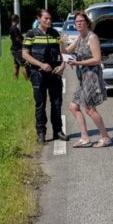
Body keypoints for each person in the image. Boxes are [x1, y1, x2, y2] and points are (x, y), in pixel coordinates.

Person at [63, 12, 112, 148]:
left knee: (90, 109)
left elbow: (97, 59)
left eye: (81, 21)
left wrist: (78, 63)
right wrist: (60, 42)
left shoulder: (92, 37)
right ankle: (85, 137)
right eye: (77, 22)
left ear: (87, 23)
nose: (79, 23)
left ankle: (105, 137)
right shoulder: (79, 38)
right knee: (73, 107)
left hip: (92, 77)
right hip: (82, 79)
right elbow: (66, 52)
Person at [22, 9, 67, 143]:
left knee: (57, 103)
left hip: (54, 75)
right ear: (38, 18)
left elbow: (63, 52)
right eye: (46, 18)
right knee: (40, 104)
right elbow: (25, 54)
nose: (49, 21)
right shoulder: (31, 34)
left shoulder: (55, 34)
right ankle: (41, 133)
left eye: (50, 19)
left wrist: (62, 66)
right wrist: (40, 65)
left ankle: (58, 131)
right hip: (38, 74)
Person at [9, 14, 29, 80]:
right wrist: (24, 44)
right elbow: (18, 38)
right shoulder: (14, 28)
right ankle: (27, 80)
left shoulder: (12, 27)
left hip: (14, 49)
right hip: (17, 50)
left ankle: (15, 81)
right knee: (23, 65)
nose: (19, 20)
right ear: (16, 19)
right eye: (18, 19)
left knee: (16, 65)